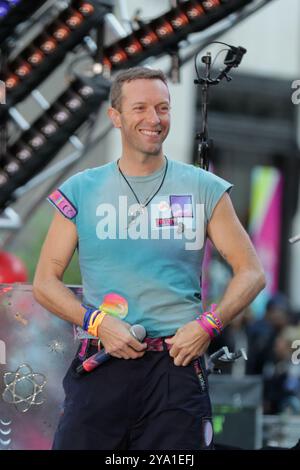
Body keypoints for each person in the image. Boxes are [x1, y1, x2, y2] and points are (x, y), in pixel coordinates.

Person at [33, 66, 265, 450]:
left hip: (175, 367)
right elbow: (45, 282)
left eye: (163, 108)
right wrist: (99, 323)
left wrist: (208, 325)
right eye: (140, 108)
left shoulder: (204, 188)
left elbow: (252, 272)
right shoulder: (81, 189)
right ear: (116, 116)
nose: (153, 119)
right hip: (103, 360)